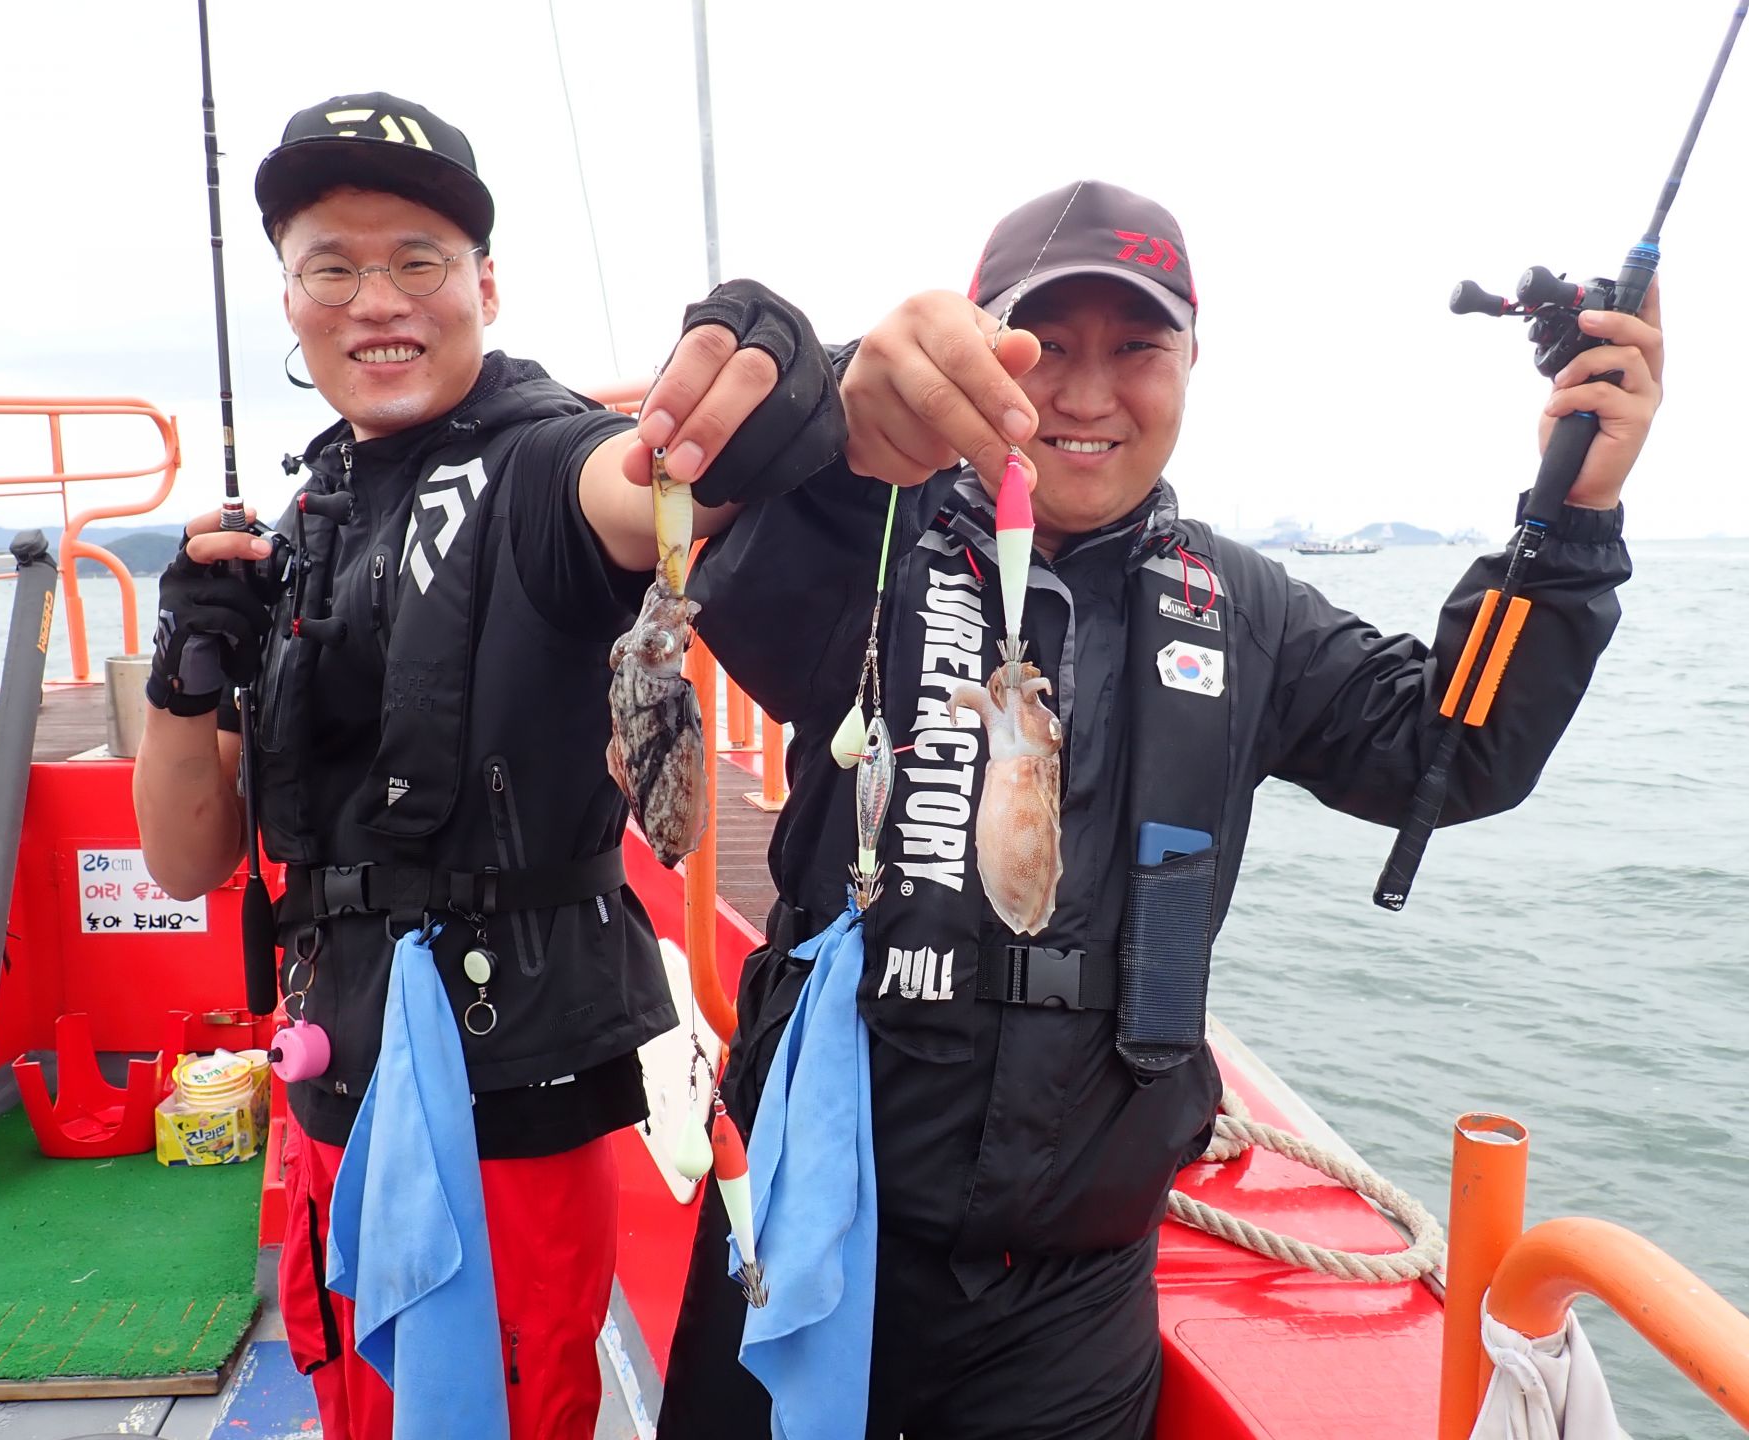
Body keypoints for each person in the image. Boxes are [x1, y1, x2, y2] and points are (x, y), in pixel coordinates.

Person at [658, 180, 1661, 1439]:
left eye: (1137, 347)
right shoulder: (872, 532)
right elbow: (739, 567)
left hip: (1069, 1311)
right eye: (1043, 347)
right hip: (803, 1218)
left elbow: (1449, 750)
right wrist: (851, 414)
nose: (1085, 396)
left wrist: (1573, 516)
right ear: (974, 350)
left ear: (1192, 361)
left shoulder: (1248, 612)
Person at [131, 92, 842, 1440]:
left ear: (486, 285)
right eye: (331, 268)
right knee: (355, 1395)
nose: (375, 301)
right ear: (289, 300)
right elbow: (184, 859)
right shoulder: (305, 520)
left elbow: (643, 486)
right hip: (327, 1087)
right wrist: (187, 669)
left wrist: (759, 408)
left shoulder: (539, 461)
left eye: (419, 260)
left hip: (506, 1097)